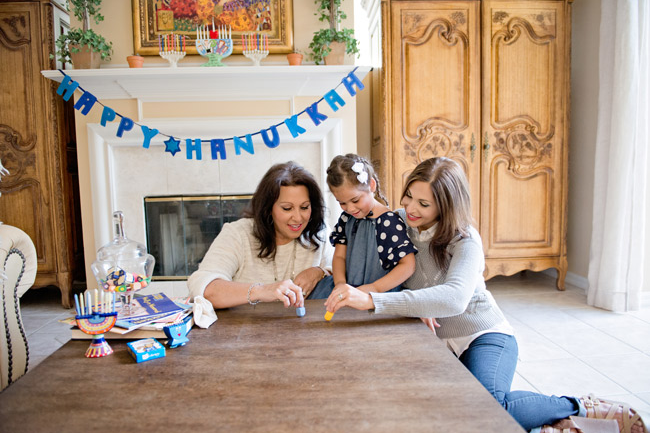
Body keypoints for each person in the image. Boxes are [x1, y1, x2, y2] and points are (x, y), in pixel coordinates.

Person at [324, 157, 647, 433]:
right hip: (432, 341)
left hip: (481, 333)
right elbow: (360, 260)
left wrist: (374, 301)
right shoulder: (394, 223)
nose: (409, 208)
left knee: (487, 406)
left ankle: (575, 406)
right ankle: (549, 422)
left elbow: (453, 300)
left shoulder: (465, 239)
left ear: (446, 205)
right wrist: (322, 273)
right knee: (430, 413)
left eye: (423, 204)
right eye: (408, 196)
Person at [187, 161, 334, 309]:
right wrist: (262, 290)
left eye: (304, 207)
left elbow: (341, 274)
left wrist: (319, 271)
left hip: (303, 329)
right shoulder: (238, 234)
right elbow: (204, 289)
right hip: (242, 329)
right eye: (287, 208)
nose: (298, 217)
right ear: (268, 208)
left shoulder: (319, 232)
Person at [321, 154, 417, 304]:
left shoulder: (388, 222)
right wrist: (340, 284)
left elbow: (408, 265)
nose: (350, 208)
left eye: (355, 200)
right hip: (349, 292)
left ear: (372, 186)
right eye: (342, 203)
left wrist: (374, 288)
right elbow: (340, 257)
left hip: (378, 296)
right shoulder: (346, 219)